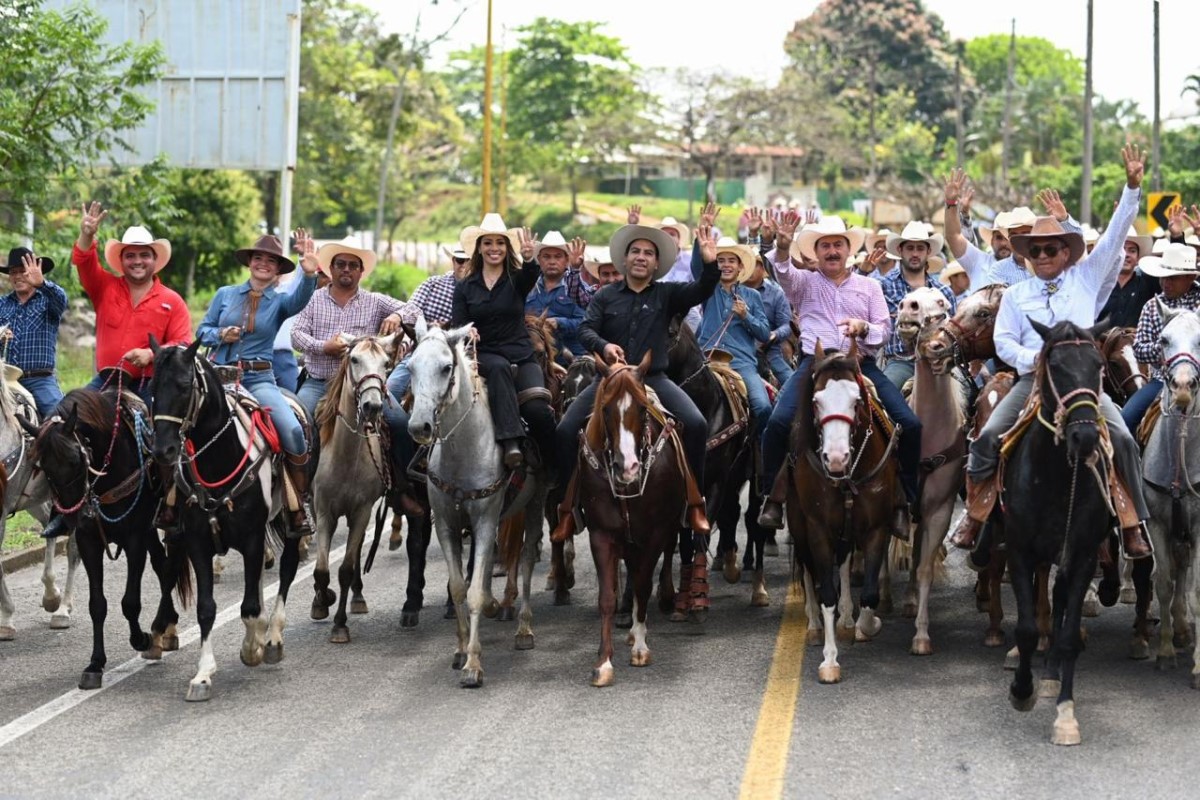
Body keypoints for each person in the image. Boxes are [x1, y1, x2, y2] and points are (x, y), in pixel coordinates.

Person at [950, 144, 1153, 560]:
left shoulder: (1087, 278)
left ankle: (1132, 522)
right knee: (987, 438)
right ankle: (975, 513)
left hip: (1083, 389)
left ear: (1066, 251)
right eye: (1036, 250)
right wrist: (1036, 360)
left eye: (1051, 248)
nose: (1043, 255)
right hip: (1032, 382)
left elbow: (1116, 236)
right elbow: (1003, 341)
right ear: (1027, 255)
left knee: (1125, 440)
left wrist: (1132, 188)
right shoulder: (1016, 294)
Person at [551, 223, 721, 540]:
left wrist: (710, 263)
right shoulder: (604, 296)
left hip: (653, 378)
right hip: (609, 380)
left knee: (696, 423)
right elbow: (585, 330)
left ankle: (694, 504)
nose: (641, 257)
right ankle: (568, 510)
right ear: (624, 260)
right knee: (563, 431)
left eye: (648, 253)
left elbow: (703, 289)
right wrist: (603, 346)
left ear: (657, 264)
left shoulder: (668, 294)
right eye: (635, 252)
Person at [756, 216, 921, 531]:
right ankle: (772, 498)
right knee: (777, 423)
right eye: (825, 246)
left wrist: (863, 327)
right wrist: (782, 245)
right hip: (813, 365)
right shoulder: (804, 282)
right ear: (816, 252)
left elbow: (884, 331)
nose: (832, 251)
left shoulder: (869, 286)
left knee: (910, 424)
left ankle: (904, 499)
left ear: (848, 250)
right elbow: (784, 271)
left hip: (860, 364)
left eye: (837, 245)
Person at [192, 233, 318, 536]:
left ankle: (297, 505)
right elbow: (202, 329)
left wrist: (310, 271)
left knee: (292, 430)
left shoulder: (281, 303)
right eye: (258, 258)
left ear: (277, 270)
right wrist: (220, 335)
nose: (263, 264)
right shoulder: (225, 294)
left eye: (271, 261)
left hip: (258, 379)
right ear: (250, 262)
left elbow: (301, 298)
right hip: (219, 377)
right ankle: (171, 504)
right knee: (181, 424)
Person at [290, 237, 424, 515]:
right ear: (331, 268)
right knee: (299, 422)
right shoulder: (313, 300)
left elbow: (414, 309)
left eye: (353, 265)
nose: (346, 270)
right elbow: (296, 335)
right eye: (341, 264)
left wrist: (398, 317)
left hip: (366, 386)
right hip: (321, 382)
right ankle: (300, 493)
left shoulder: (374, 301)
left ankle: (401, 488)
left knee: (400, 423)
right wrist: (323, 346)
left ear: (361, 272)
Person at [452, 213, 557, 474]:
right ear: (479, 248)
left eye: (499, 243)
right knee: (497, 368)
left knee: (539, 411)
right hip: (484, 354)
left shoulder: (516, 278)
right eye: (488, 243)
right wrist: (469, 331)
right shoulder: (465, 286)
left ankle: (554, 471)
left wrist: (531, 257)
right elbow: (459, 324)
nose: (494, 248)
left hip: (521, 354)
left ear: (507, 248)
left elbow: (531, 274)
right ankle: (511, 441)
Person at [71, 202, 193, 404]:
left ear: (155, 259)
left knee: (161, 430)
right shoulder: (103, 286)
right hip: (106, 380)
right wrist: (86, 234)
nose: (137, 261)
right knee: (66, 417)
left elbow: (183, 343)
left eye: (144, 255)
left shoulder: (172, 301)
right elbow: (83, 260)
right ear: (122, 260)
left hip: (151, 383)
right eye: (130, 255)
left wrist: (152, 354)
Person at [943, 174, 1084, 291]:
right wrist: (951, 203)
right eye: (1014, 235)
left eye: (1026, 233)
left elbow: (1079, 251)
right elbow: (954, 237)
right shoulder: (997, 270)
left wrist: (1064, 220)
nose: (1021, 239)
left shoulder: (1052, 263)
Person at [695, 238, 773, 430]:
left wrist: (746, 316)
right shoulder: (708, 289)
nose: (726, 265)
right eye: (721, 261)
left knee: (763, 407)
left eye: (731, 261)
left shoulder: (752, 296)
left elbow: (764, 333)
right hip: (706, 359)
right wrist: (701, 241)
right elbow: (697, 267)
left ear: (740, 267)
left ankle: (759, 453)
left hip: (741, 363)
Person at [1121, 243, 1200, 433]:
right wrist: (1167, 347)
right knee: (1125, 421)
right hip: (1161, 380)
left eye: (1173, 278)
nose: (1166, 283)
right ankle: (1133, 462)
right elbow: (1139, 349)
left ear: (1190, 278)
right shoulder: (1151, 306)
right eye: (1163, 277)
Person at [386, 245, 469, 403]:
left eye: (468, 261)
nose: (464, 264)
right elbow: (412, 307)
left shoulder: (479, 288)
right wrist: (400, 315)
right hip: (423, 348)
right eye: (460, 260)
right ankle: (400, 426)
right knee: (392, 388)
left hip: (462, 350)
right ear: (453, 261)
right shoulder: (433, 283)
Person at [879, 221, 956, 390]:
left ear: (928, 252)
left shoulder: (944, 292)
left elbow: (955, 332)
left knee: (970, 395)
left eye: (920, 248)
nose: (915, 254)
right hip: (901, 361)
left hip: (938, 361)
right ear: (900, 250)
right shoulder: (883, 287)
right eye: (910, 248)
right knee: (884, 394)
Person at [0, 247, 67, 417]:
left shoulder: (48, 300)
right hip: (5, 380)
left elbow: (61, 299)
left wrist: (42, 284)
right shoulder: (2, 304)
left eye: (23, 271)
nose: (18, 276)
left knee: (60, 422)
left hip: (40, 380)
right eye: (13, 272)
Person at [524, 231, 587, 364]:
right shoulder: (527, 286)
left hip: (572, 358)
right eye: (546, 257)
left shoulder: (578, 287)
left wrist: (560, 322)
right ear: (539, 259)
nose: (552, 261)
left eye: (558, 257)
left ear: (567, 260)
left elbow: (585, 322)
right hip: (535, 355)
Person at [1096, 227, 1158, 328]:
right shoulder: (1098, 285)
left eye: (1132, 251)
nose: (1126, 255)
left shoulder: (1148, 283)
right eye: (1121, 250)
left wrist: (1176, 237)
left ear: (1138, 258)